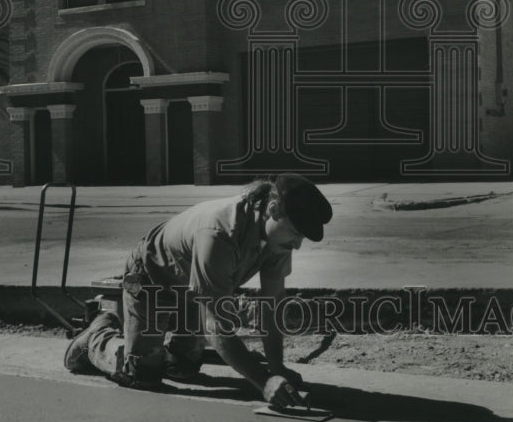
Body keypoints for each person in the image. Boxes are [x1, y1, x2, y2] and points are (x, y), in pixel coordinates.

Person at [64, 173, 332, 408]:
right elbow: (215, 326)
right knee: (142, 375)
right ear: (273, 209)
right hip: (151, 278)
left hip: (191, 287)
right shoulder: (219, 232)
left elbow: (271, 305)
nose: (297, 245)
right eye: (296, 233)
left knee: (183, 368)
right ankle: (98, 336)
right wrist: (264, 381)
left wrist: (277, 368)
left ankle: (158, 348)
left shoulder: (277, 242)